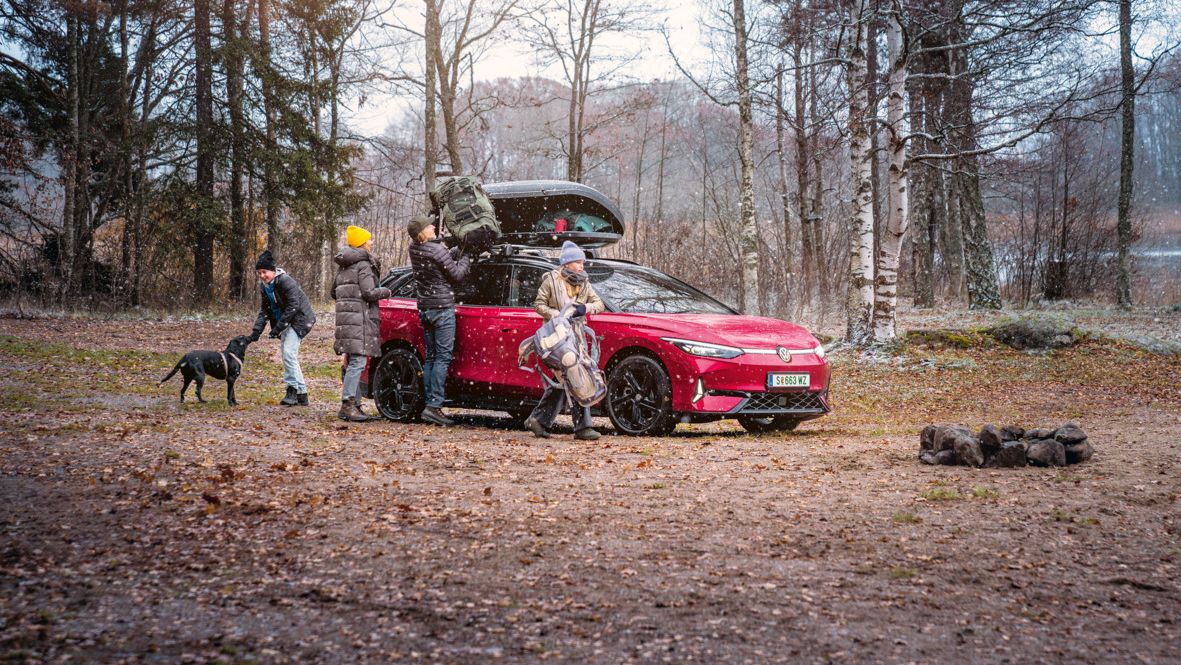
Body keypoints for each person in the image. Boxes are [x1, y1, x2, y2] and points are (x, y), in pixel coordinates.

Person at [524, 240, 605, 441]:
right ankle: (581, 427)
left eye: (582, 263)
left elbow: (599, 304)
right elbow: (539, 305)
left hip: (575, 338)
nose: (581, 266)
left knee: (570, 377)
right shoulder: (551, 280)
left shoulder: (584, 282)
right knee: (573, 375)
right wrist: (558, 316)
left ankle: (539, 420)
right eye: (578, 262)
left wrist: (584, 309)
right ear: (566, 263)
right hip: (555, 338)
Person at [408, 213, 472, 426]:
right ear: (421, 234)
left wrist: (452, 250)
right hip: (442, 308)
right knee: (443, 358)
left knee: (432, 357)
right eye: (429, 227)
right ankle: (434, 407)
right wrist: (466, 255)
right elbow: (457, 275)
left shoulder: (415, 249)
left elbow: (441, 260)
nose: (433, 227)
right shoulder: (436, 250)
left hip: (425, 308)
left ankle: (429, 404)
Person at [332, 225, 392, 422]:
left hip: (346, 320)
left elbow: (334, 292)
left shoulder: (344, 265)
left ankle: (355, 404)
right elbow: (369, 293)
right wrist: (386, 292)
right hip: (360, 319)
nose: (372, 242)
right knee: (358, 362)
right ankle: (348, 403)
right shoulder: (363, 265)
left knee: (352, 361)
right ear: (362, 243)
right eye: (370, 239)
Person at [250, 249, 316, 406]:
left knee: (288, 353)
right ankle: (302, 394)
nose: (262, 276)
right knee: (289, 355)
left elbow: (294, 306)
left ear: (273, 270)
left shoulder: (286, 281)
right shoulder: (264, 287)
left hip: (300, 319)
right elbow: (265, 310)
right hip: (286, 321)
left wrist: (278, 328)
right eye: (259, 273)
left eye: (264, 272)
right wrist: (256, 331)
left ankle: (292, 390)